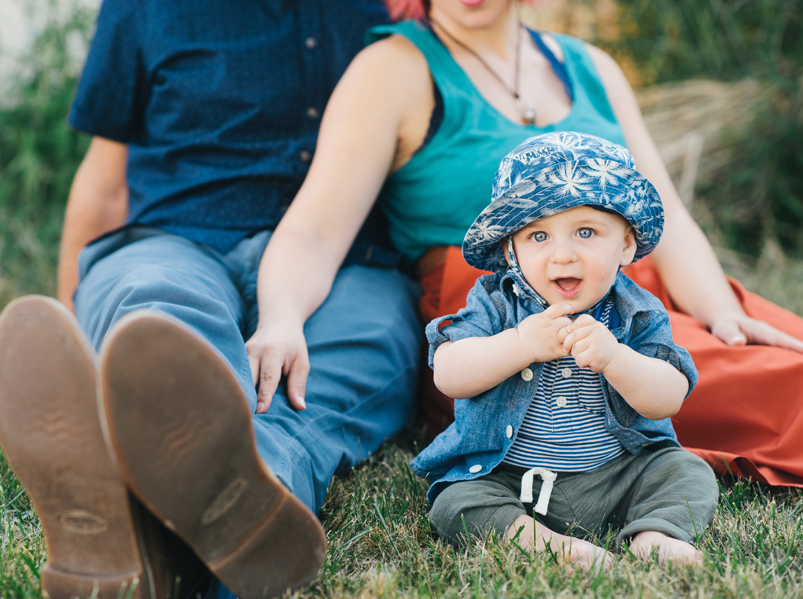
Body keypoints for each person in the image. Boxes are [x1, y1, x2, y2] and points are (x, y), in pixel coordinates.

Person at [260, 0, 803, 489]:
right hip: (508, 311)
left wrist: (721, 311)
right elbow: (314, 227)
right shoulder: (393, 69)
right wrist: (281, 317)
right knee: (778, 390)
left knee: (777, 346)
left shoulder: (591, 66)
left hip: (630, 287)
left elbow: (670, 216)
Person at [0, 2, 421, 599]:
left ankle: (168, 521)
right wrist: (71, 330)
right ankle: (226, 508)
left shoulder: (394, 7)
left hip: (344, 258)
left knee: (351, 352)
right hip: (177, 237)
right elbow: (104, 176)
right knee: (155, 317)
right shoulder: (141, 8)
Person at [411, 131, 718, 569]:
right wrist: (519, 344)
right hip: (508, 478)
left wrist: (616, 359)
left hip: (617, 474)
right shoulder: (495, 304)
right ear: (510, 249)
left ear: (626, 244)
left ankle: (655, 534)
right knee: (455, 502)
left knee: (687, 471)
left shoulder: (636, 312)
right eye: (538, 237)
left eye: (587, 232)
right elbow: (449, 373)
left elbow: (669, 396)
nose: (563, 255)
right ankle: (551, 546)